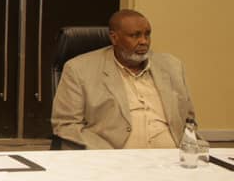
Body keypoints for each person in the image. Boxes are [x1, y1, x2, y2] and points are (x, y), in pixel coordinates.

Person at [51, 9, 195, 149]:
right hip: (113, 157)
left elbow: (188, 119)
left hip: (172, 157)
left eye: (147, 34)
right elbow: (66, 125)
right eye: (135, 35)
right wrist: (108, 155)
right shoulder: (79, 69)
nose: (144, 41)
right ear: (114, 38)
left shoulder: (172, 66)